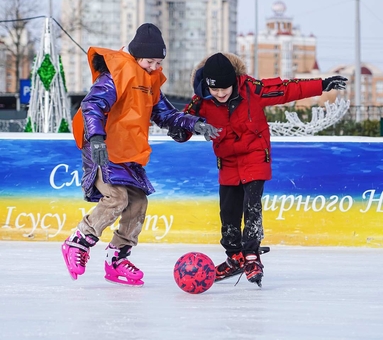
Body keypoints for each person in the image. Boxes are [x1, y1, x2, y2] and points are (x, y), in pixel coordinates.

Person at [168, 52, 347, 287]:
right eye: (215, 90)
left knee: (252, 206)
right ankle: (234, 257)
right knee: (228, 214)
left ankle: (252, 256)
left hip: (254, 156)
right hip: (228, 161)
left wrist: (322, 84)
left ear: (234, 82)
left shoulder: (251, 89)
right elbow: (184, 123)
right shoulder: (201, 100)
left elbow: (286, 89)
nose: (220, 94)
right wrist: (183, 131)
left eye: (225, 89)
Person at [62, 23, 219, 287]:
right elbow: (92, 105)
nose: (155, 67)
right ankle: (78, 242)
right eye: (150, 61)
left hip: (128, 151)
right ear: (136, 55)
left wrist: (194, 123)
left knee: (137, 204)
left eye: (159, 62)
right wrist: (97, 137)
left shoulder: (150, 81)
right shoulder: (115, 74)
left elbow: (165, 114)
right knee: (116, 198)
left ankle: (117, 258)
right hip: (103, 147)